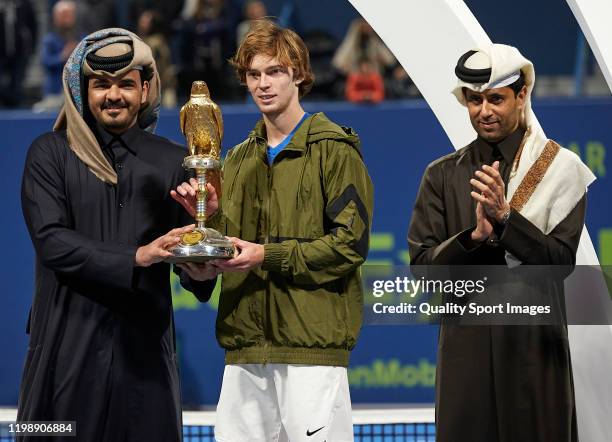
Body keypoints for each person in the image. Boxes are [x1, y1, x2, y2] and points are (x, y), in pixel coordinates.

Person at [172, 19, 374, 442]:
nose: (264, 84)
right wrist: (200, 256)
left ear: (299, 73)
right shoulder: (237, 159)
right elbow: (226, 247)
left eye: (275, 71)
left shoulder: (334, 150)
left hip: (312, 354)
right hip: (244, 352)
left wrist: (266, 255)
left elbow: (348, 246)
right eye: (254, 74)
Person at [17, 28, 214, 442]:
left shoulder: (174, 161)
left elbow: (194, 277)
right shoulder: (49, 153)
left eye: (126, 84)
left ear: (145, 90)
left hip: (143, 364)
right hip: (60, 354)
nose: (113, 95)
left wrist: (202, 247)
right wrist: (137, 256)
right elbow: (52, 242)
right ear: (81, 90)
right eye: (101, 84)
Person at [408, 44, 595, 442]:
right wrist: (472, 239)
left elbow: (559, 262)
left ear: (522, 94)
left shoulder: (562, 170)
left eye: (495, 98)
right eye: (474, 100)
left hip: (534, 354)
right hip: (465, 357)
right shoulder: (441, 175)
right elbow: (423, 271)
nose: (484, 111)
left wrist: (508, 219)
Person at [34, 0, 79, 112]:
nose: (66, 19)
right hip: (53, 93)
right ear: (56, 17)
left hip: (76, 93)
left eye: (69, 15)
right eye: (62, 15)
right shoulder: (49, 40)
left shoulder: (82, 39)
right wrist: (63, 56)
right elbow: (45, 61)